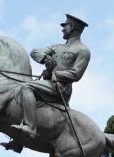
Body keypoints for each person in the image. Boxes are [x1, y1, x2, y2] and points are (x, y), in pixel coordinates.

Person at [8, 14, 91, 144]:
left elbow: (76, 74)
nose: (62, 29)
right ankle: (19, 142)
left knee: (26, 87)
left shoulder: (83, 50)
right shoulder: (57, 47)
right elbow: (34, 52)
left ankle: (30, 128)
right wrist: (45, 58)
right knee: (24, 100)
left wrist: (55, 74)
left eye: (65, 26)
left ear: (72, 27)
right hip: (48, 85)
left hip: (61, 89)